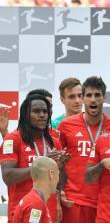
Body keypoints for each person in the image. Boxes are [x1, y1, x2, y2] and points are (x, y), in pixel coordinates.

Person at [57, 76, 110, 223]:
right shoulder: (66, 126)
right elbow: (58, 162)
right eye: (88, 95)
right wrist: (58, 191)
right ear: (83, 98)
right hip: (75, 201)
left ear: (104, 98)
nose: (93, 99)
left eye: (97, 95)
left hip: (105, 203)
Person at [0, 95, 66, 223]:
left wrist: (61, 167)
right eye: (36, 111)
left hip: (48, 212)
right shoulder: (13, 140)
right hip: (22, 213)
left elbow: (59, 183)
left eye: (45, 111)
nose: (42, 115)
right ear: (25, 114)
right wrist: (42, 165)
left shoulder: (54, 143)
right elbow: (8, 176)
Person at [13, 156, 60, 223]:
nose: (58, 179)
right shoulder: (35, 204)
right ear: (51, 174)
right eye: (58, 174)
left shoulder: (36, 200)